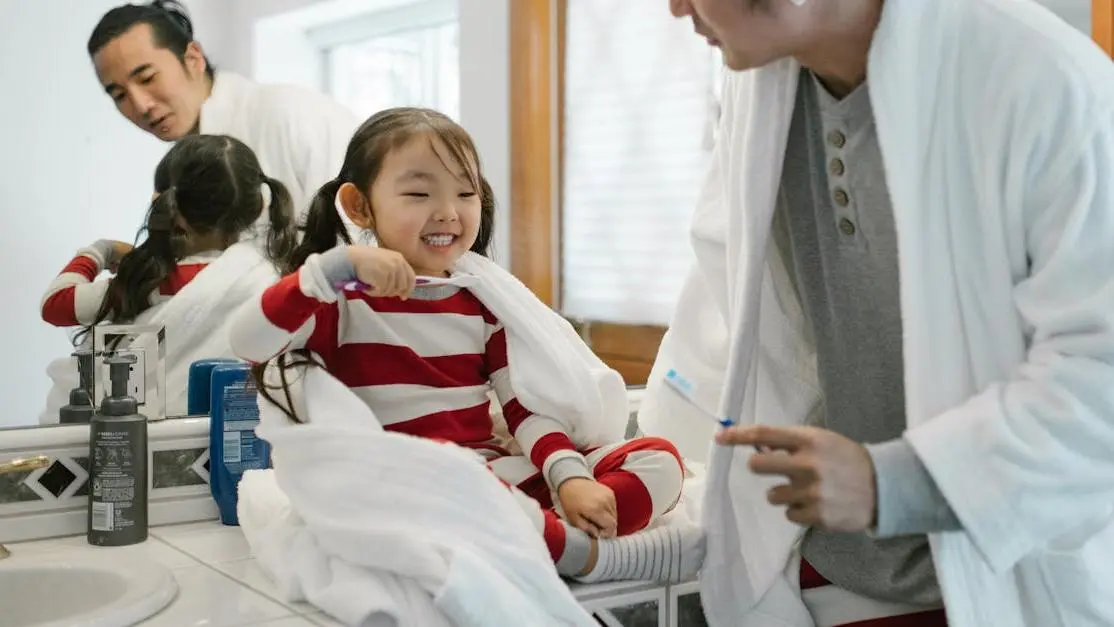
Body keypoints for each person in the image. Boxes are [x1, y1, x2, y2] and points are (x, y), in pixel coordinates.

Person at [635, 0, 1114, 625]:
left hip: (1008, 575)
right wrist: (648, 470)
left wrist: (896, 483)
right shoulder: (758, 82)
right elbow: (736, 306)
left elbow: (1098, 380)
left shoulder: (1043, 79)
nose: (675, 8)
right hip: (827, 570)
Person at [230, 107, 706, 584]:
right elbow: (248, 341)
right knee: (469, 495)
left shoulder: (480, 301)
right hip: (409, 483)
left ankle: (549, 533)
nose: (448, 212)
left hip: (488, 473)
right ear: (359, 206)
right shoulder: (342, 301)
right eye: (419, 193)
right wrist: (332, 269)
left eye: (465, 192)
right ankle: (588, 557)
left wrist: (572, 479)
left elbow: (523, 410)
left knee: (660, 460)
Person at [39, 134, 298, 420]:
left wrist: (100, 251)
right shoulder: (270, 277)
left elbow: (55, 304)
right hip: (223, 444)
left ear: (165, 206)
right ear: (258, 205)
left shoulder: (147, 283)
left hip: (129, 442)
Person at [87, 1, 359, 218]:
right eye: (119, 95)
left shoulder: (289, 114)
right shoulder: (176, 177)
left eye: (147, 78)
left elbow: (362, 245)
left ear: (193, 59)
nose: (140, 105)